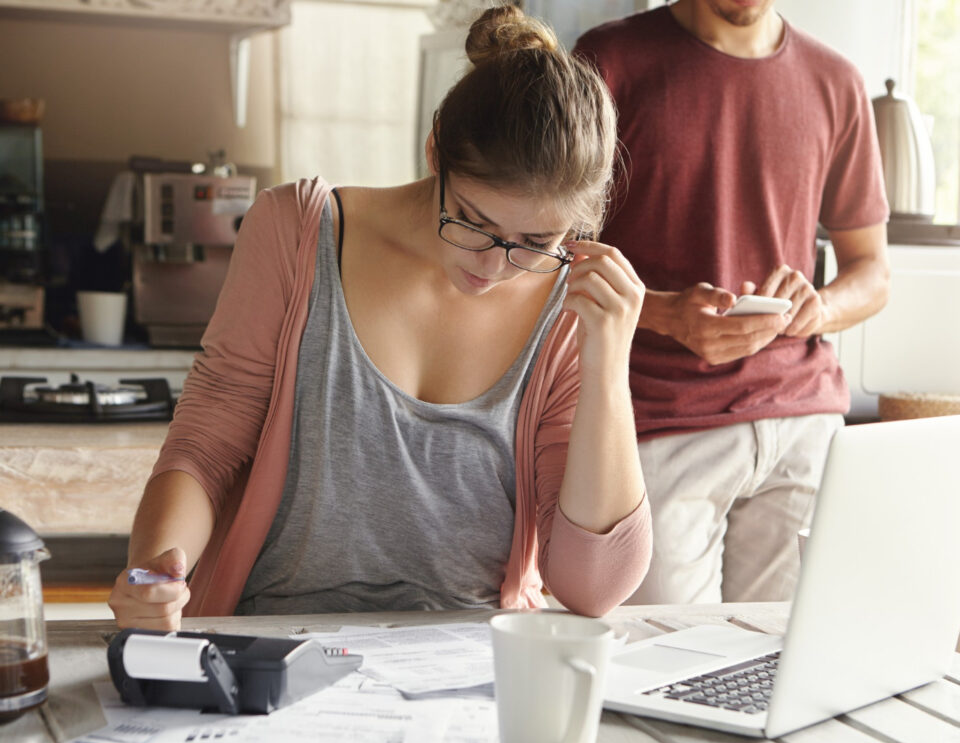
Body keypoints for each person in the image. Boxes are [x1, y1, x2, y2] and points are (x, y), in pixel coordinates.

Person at [109, 5, 652, 631]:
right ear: (433, 150)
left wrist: (608, 367)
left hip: (472, 667)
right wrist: (156, 575)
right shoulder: (295, 233)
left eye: (535, 239)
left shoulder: (566, 303)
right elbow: (206, 449)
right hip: (276, 643)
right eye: (473, 222)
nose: (495, 265)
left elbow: (593, 589)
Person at [574, 0, 890, 604]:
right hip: (659, 424)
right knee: (659, 668)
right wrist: (665, 313)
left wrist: (818, 308)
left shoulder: (837, 81)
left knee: (787, 670)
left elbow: (873, 271)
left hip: (803, 425)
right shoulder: (607, 63)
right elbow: (546, 254)